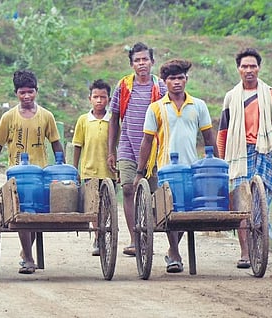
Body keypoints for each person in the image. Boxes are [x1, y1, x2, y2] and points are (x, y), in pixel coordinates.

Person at [133, 59, 217, 273]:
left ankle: (172, 251)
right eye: (172, 78)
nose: (177, 82)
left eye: (181, 78)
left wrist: (216, 165)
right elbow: (147, 141)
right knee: (171, 210)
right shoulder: (156, 108)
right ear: (164, 82)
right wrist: (140, 172)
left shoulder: (198, 105)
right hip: (165, 169)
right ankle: (175, 253)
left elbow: (209, 136)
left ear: (186, 79)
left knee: (186, 212)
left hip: (192, 170)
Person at [0, 69, 64, 274]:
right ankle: (28, 256)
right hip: (17, 176)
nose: (27, 96)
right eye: (22, 92)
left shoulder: (46, 116)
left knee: (35, 214)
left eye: (30, 92)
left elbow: (56, 144)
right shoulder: (9, 117)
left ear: (36, 91)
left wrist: (62, 172)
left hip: (41, 174)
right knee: (23, 213)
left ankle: (26, 252)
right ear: (16, 93)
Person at [217, 48, 272, 269]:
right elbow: (223, 133)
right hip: (239, 155)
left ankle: (258, 247)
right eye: (244, 66)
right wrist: (221, 164)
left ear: (259, 68)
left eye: (253, 66)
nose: (249, 70)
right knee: (242, 204)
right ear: (238, 69)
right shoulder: (231, 97)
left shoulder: (270, 94)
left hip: (264, 154)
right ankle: (245, 253)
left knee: (260, 203)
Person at [107, 42, 167, 256]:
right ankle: (134, 238)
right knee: (128, 188)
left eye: (145, 59)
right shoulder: (123, 86)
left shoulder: (161, 87)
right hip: (127, 146)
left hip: (154, 150)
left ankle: (151, 232)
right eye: (137, 60)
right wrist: (111, 151)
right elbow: (114, 119)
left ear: (152, 62)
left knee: (155, 193)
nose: (142, 64)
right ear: (132, 64)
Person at [72, 79, 116, 256]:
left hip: (109, 172)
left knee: (107, 207)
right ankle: (98, 237)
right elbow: (77, 145)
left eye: (103, 97)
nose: (99, 100)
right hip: (89, 171)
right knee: (93, 207)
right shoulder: (84, 120)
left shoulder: (113, 120)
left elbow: (118, 145)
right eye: (96, 97)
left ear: (109, 99)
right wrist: (74, 169)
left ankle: (105, 234)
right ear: (90, 98)